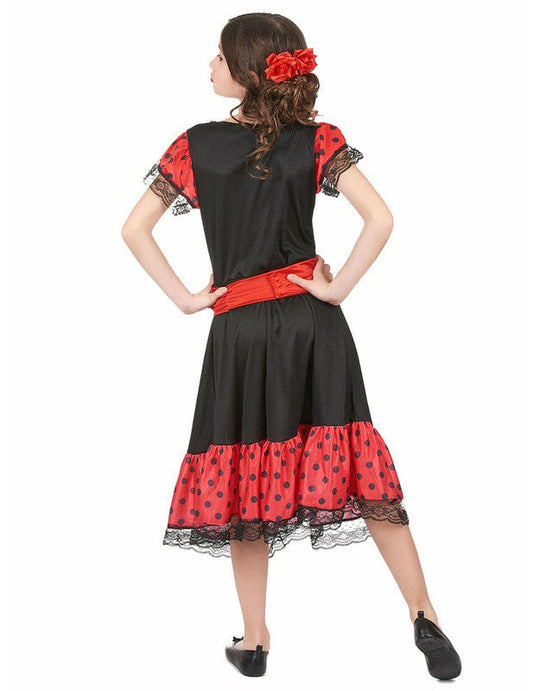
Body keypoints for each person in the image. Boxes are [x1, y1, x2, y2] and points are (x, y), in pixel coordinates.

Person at [121, 11, 461, 681]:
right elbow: (380, 218)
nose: (209, 67)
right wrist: (336, 290)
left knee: (242, 482)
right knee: (359, 463)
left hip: (240, 331)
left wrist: (189, 299)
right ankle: (423, 613)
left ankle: (255, 639)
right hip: (313, 325)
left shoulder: (194, 146)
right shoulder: (317, 140)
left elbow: (134, 230)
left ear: (249, 72)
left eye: (219, 58)